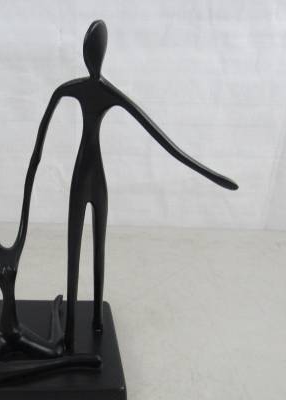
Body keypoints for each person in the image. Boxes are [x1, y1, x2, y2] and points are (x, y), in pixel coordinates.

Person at [29, 20, 239, 352]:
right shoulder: (74, 89)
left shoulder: (90, 91)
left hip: (91, 178)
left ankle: (95, 319)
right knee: (75, 249)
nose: (93, 58)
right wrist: (29, 187)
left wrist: (207, 172)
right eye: (92, 51)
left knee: (96, 248)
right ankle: (71, 329)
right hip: (85, 178)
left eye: (95, 51)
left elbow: (163, 141)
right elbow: (39, 145)